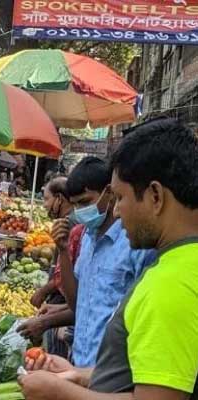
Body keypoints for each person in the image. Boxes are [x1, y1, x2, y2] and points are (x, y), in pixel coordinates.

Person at [20, 118, 198, 400]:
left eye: (121, 198)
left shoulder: (170, 286)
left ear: (155, 196)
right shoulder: (179, 265)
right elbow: (146, 370)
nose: (116, 212)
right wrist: (79, 375)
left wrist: (60, 392)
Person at [56, 157, 156, 369]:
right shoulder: (86, 238)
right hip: (81, 359)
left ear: (109, 194)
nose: (80, 211)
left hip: (112, 372)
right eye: (75, 205)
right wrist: (63, 251)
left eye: (85, 202)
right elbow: (77, 304)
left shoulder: (134, 244)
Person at [17, 176, 83, 359]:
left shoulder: (71, 225)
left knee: (57, 357)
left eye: (46, 199)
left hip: (64, 300)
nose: (44, 205)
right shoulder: (66, 223)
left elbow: (68, 270)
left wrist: (44, 291)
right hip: (62, 305)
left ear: (60, 199)